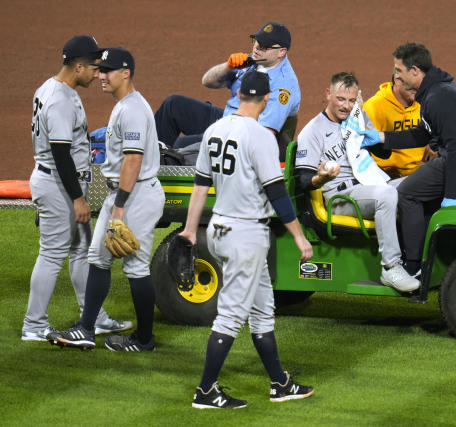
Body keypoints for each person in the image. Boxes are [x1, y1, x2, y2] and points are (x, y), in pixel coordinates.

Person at [179, 70, 314, 409]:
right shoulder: (260, 136)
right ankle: (206, 391)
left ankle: (279, 384)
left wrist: (190, 229)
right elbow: (277, 192)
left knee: (263, 310)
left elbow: (200, 184)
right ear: (267, 99)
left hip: (219, 230)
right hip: (246, 236)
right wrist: (299, 238)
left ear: (239, 94)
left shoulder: (214, 130)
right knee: (230, 316)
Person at [48, 47, 165, 351]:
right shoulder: (124, 105)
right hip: (125, 193)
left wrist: (120, 208)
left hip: (135, 194)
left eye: (107, 71)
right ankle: (86, 328)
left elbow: (133, 161)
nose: (101, 76)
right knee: (98, 258)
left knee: (136, 267)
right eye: (100, 70)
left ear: (126, 73)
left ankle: (144, 339)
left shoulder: (133, 109)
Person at [359, 42, 456, 276]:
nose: (396, 76)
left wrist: (451, 195)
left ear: (415, 71)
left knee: (407, 193)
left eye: (399, 70)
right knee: (422, 193)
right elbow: (421, 134)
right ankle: (426, 257)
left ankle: (413, 265)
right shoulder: (436, 90)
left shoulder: (437, 98)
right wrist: (382, 137)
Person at [23, 35, 132, 342]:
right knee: (52, 254)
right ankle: (33, 325)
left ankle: (93, 318)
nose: (98, 73)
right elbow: (60, 154)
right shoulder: (58, 99)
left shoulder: (53, 88)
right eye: (94, 67)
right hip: (57, 183)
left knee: (81, 252)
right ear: (79, 66)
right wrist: (77, 199)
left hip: (58, 182)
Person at [295, 72, 420, 293]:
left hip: (368, 186)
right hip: (340, 198)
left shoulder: (357, 118)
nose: (345, 106)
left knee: (418, 183)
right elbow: (303, 180)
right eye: (340, 99)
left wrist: (364, 123)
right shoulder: (312, 131)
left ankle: (418, 259)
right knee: (387, 196)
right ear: (328, 95)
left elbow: (383, 152)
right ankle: (391, 267)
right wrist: (321, 178)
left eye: (351, 100)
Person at [154, 22, 300, 156]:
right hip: (228, 120)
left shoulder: (284, 86)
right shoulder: (254, 60)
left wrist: (221, 135)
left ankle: (161, 166)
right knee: (173, 105)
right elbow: (208, 81)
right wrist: (228, 66)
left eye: (265, 46)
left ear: (281, 52)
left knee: (181, 145)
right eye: (256, 41)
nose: (257, 47)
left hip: (242, 139)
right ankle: (151, 159)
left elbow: (262, 135)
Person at [362, 74, 436, 177]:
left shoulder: (424, 105)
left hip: (416, 173)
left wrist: (431, 154)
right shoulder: (373, 107)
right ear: (397, 80)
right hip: (383, 175)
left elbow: (426, 145)